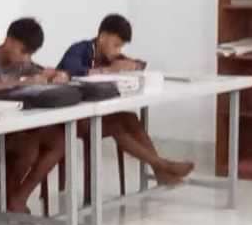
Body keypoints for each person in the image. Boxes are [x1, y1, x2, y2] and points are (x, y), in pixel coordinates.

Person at [56, 14, 194, 187]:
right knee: (116, 125)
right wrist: (107, 70)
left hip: (95, 113)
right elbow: (73, 70)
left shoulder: (111, 56)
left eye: (121, 47)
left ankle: (160, 172)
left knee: (130, 118)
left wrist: (132, 66)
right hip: (70, 116)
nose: (118, 51)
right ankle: (163, 165)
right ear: (102, 37)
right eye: (115, 45)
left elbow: (140, 64)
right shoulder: (80, 49)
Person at [0, 17, 70, 213]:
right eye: (23, 51)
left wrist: (60, 76)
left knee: (60, 140)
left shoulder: (22, 62)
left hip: (14, 125)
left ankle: (19, 196)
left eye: (30, 54)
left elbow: (46, 72)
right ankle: (11, 200)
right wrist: (23, 83)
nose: (25, 58)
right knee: (29, 147)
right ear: (9, 41)